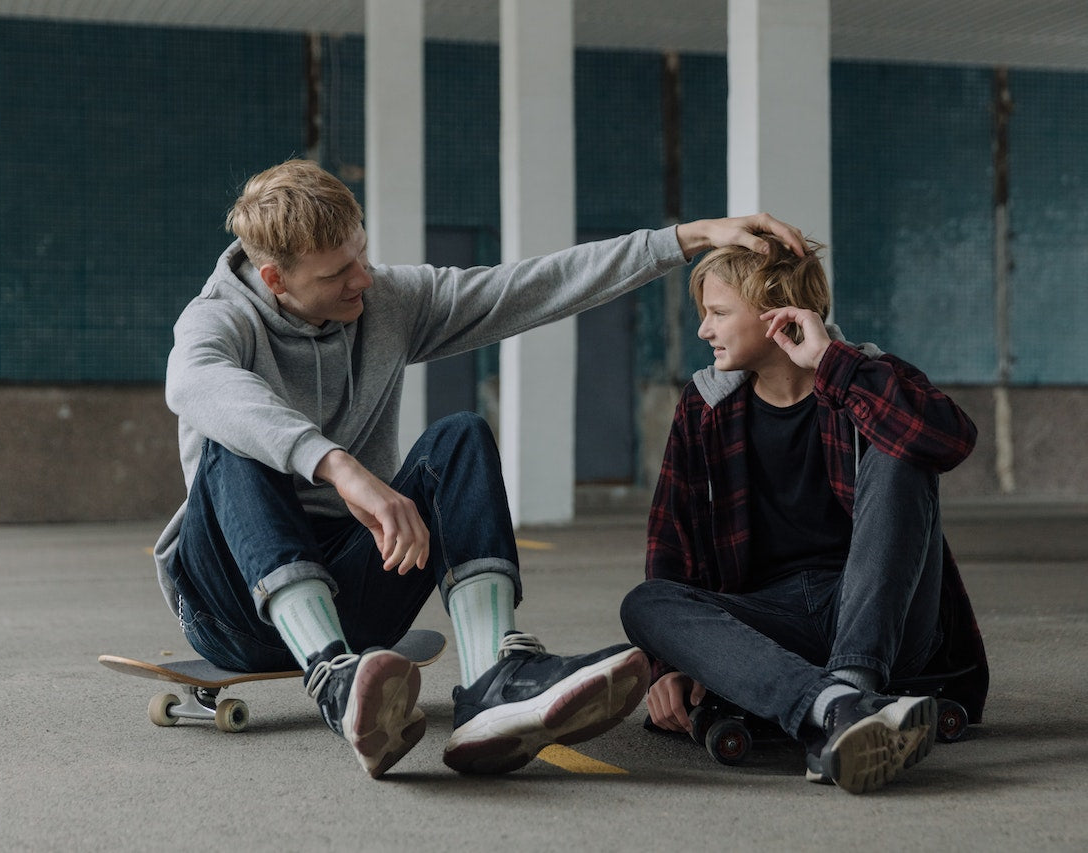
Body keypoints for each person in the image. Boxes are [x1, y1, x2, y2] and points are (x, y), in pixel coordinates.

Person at [153, 158, 806, 779]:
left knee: (457, 437)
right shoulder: (218, 320)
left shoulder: (385, 301)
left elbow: (532, 285)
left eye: (362, 254)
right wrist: (339, 467)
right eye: (336, 273)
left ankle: (494, 678)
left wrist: (688, 238)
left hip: (354, 591)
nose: (361, 279)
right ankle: (331, 676)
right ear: (275, 279)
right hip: (233, 607)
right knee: (233, 439)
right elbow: (196, 383)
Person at [619, 237, 989, 794]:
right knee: (646, 603)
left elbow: (951, 439)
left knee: (901, 440)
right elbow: (672, 543)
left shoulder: (867, 377)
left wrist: (831, 365)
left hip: (882, 616)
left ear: (774, 314)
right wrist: (668, 662)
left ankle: (849, 682)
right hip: (772, 621)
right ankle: (836, 707)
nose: (704, 331)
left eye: (718, 313)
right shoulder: (704, 407)